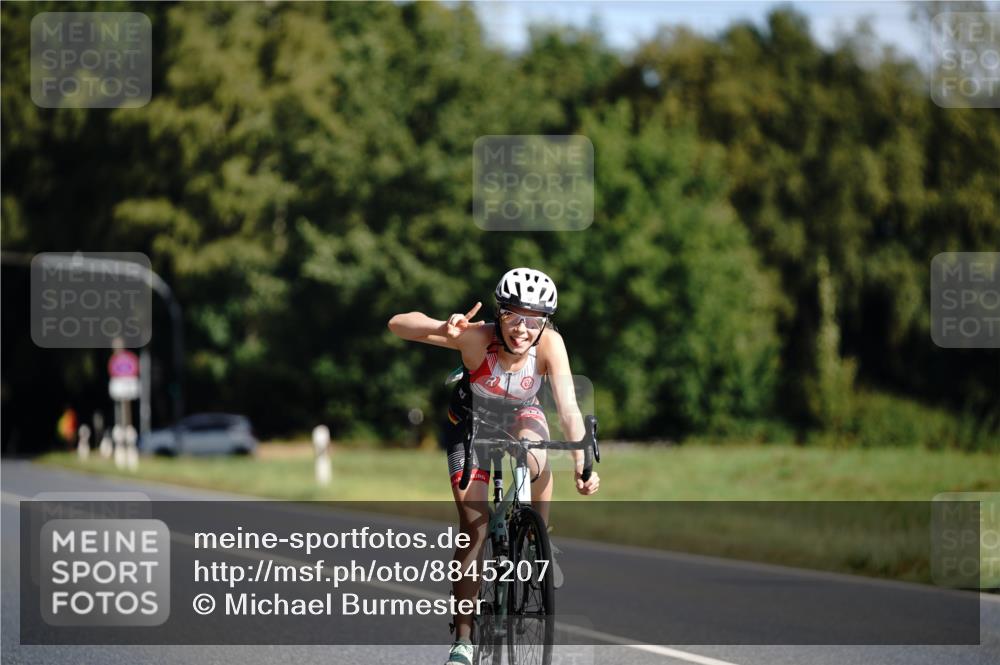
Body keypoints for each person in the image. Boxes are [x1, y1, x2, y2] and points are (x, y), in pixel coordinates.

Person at [388, 267, 600, 665]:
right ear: (499, 315)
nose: (522, 329)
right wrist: (444, 326)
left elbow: (569, 407)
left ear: (545, 323)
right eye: (513, 317)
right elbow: (398, 324)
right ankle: (464, 639)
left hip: (522, 415)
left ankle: (540, 538)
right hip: (471, 423)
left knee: (535, 451)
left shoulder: (551, 344)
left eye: (533, 320)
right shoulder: (476, 338)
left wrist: (581, 463)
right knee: (475, 525)